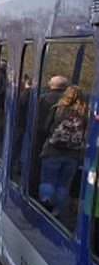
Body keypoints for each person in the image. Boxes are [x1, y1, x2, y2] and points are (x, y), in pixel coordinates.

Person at [39, 85, 87, 216]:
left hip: (53, 150)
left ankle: (45, 202)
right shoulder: (84, 113)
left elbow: (46, 127)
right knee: (62, 183)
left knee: (48, 179)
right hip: (73, 154)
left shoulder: (58, 109)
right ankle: (56, 210)